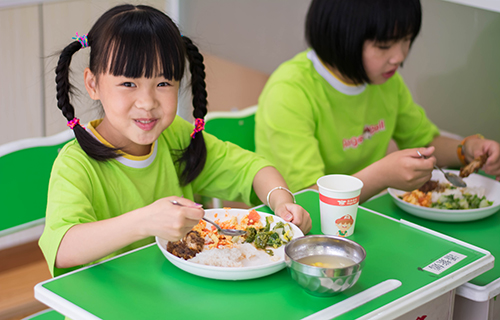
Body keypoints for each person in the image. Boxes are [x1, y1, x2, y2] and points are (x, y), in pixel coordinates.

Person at [39, 4, 311, 277]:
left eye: (163, 84)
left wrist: (282, 203)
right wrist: (145, 221)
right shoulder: (76, 163)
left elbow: (254, 169)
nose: (147, 103)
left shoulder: (176, 136)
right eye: (128, 84)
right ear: (93, 84)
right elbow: (63, 247)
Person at [255, 0, 500, 203]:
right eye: (383, 46)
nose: (399, 56)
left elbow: (426, 141)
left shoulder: (384, 81)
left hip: (360, 217)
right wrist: (382, 176)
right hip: (299, 230)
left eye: (406, 40)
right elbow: (308, 199)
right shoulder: (290, 92)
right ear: (340, 36)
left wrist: (466, 149)